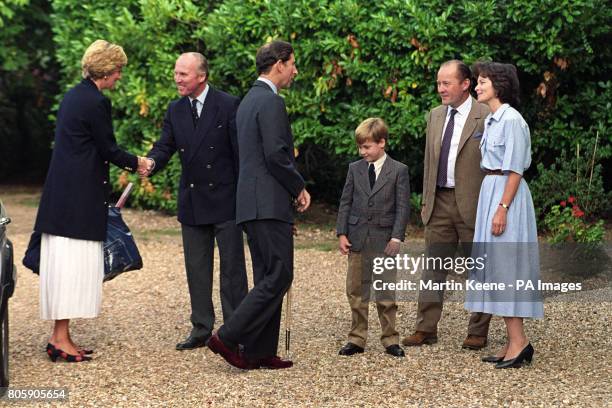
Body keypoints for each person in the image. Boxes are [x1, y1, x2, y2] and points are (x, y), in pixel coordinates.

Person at [33, 40, 149, 362]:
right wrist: (137, 162)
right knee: (72, 268)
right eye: (119, 71)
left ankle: (61, 336)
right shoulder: (96, 102)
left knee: (63, 266)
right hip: (80, 199)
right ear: (108, 71)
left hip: (62, 196)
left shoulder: (73, 95)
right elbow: (107, 149)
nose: (120, 77)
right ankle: (60, 338)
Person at [207, 40, 310, 370]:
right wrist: (299, 188)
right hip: (267, 203)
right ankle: (228, 336)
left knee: (269, 274)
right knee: (280, 274)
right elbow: (276, 156)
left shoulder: (248, 101)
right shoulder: (269, 102)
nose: (295, 70)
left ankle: (258, 352)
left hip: (252, 203)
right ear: (279, 64)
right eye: (292, 63)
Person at [141, 53, 248, 351]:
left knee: (232, 271)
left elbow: (241, 154)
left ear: (201, 76)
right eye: (176, 73)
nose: (177, 79)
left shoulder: (228, 104)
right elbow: (165, 145)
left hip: (226, 200)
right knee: (197, 269)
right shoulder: (175, 109)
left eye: (183, 74)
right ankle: (201, 328)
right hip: (193, 201)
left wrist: (247, 198)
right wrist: (150, 162)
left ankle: (234, 331)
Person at [403, 60, 492, 350]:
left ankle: (478, 331)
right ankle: (425, 328)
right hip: (439, 201)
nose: (440, 89)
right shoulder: (435, 116)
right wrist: (427, 199)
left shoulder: (487, 114)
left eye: (446, 83)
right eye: (438, 83)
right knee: (433, 267)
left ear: (465, 84)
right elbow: (429, 161)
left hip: (474, 203)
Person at [465, 61, 543, 368]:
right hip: (492, 190)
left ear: (499, 85)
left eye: (482, 81)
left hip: (506, 194)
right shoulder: (493, 120)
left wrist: (503, 208)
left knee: (507, 268)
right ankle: (513, 342)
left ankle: (519, 342)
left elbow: (514, 169)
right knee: (495, 268)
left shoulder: (511, 120)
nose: (477, 86)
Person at [336, 118, 410, 358]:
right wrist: (342, 232)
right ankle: (357, 338)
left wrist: (397, 238)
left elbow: (402, 207)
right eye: (360, 147)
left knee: (386, 292)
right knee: (356, 290)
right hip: (357, 239)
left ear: (381, 143)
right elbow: (345, 202)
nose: (362, 152)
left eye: (367, 147)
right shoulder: (353, 169)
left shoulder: (399, 170)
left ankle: (390, 339)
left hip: (385, 240)